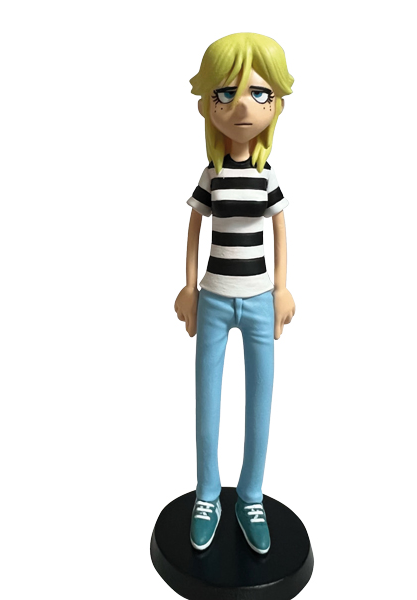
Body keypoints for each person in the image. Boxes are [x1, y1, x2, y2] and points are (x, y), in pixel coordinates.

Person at [174, 32, 295, 555]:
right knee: (207, 397)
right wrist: (188, 287)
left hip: (262, 300)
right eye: (227, 93)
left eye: (259, 93)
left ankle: (250, 494)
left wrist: (283, 289)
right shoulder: (212, 175)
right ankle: (208, 492)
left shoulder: (268, 178)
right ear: (209, 105)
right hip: (215, 299)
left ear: (276, 104)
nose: (243, 105)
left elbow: (281, 231)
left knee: (260, 400)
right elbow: (194, 229)